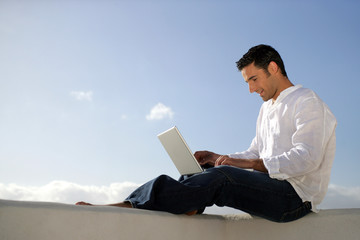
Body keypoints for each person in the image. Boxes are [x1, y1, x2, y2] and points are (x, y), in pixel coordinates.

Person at [76, 44, 337, 222]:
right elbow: (256, 152)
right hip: (271, 189)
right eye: (247, 83)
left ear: (273, 68)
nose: (250, 89)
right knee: (201, 171)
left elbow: (307, 157)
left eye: (254, 79)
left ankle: (130, 206)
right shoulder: (267, 110)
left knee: (222, 176)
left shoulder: (307, 101)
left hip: (294, 199)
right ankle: (187, 204)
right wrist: (218, 156)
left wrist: (241, 164)